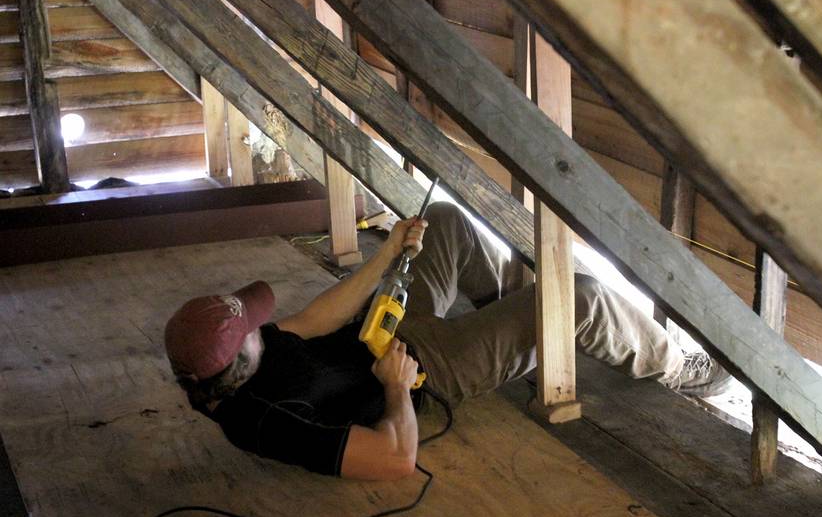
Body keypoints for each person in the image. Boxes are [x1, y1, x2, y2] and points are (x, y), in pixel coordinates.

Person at [164, 202, 731, 481]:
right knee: (579, 297)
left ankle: (519, 326)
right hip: (426, 367)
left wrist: (389, 252)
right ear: (236, 362)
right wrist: (395, 389)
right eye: (250, 328)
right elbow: (395, 461)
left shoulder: (242, 357)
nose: (261, 325)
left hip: (382, 328)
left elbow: (317, 317)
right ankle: (675, 367)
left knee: (444, 219)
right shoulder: (266, 423)